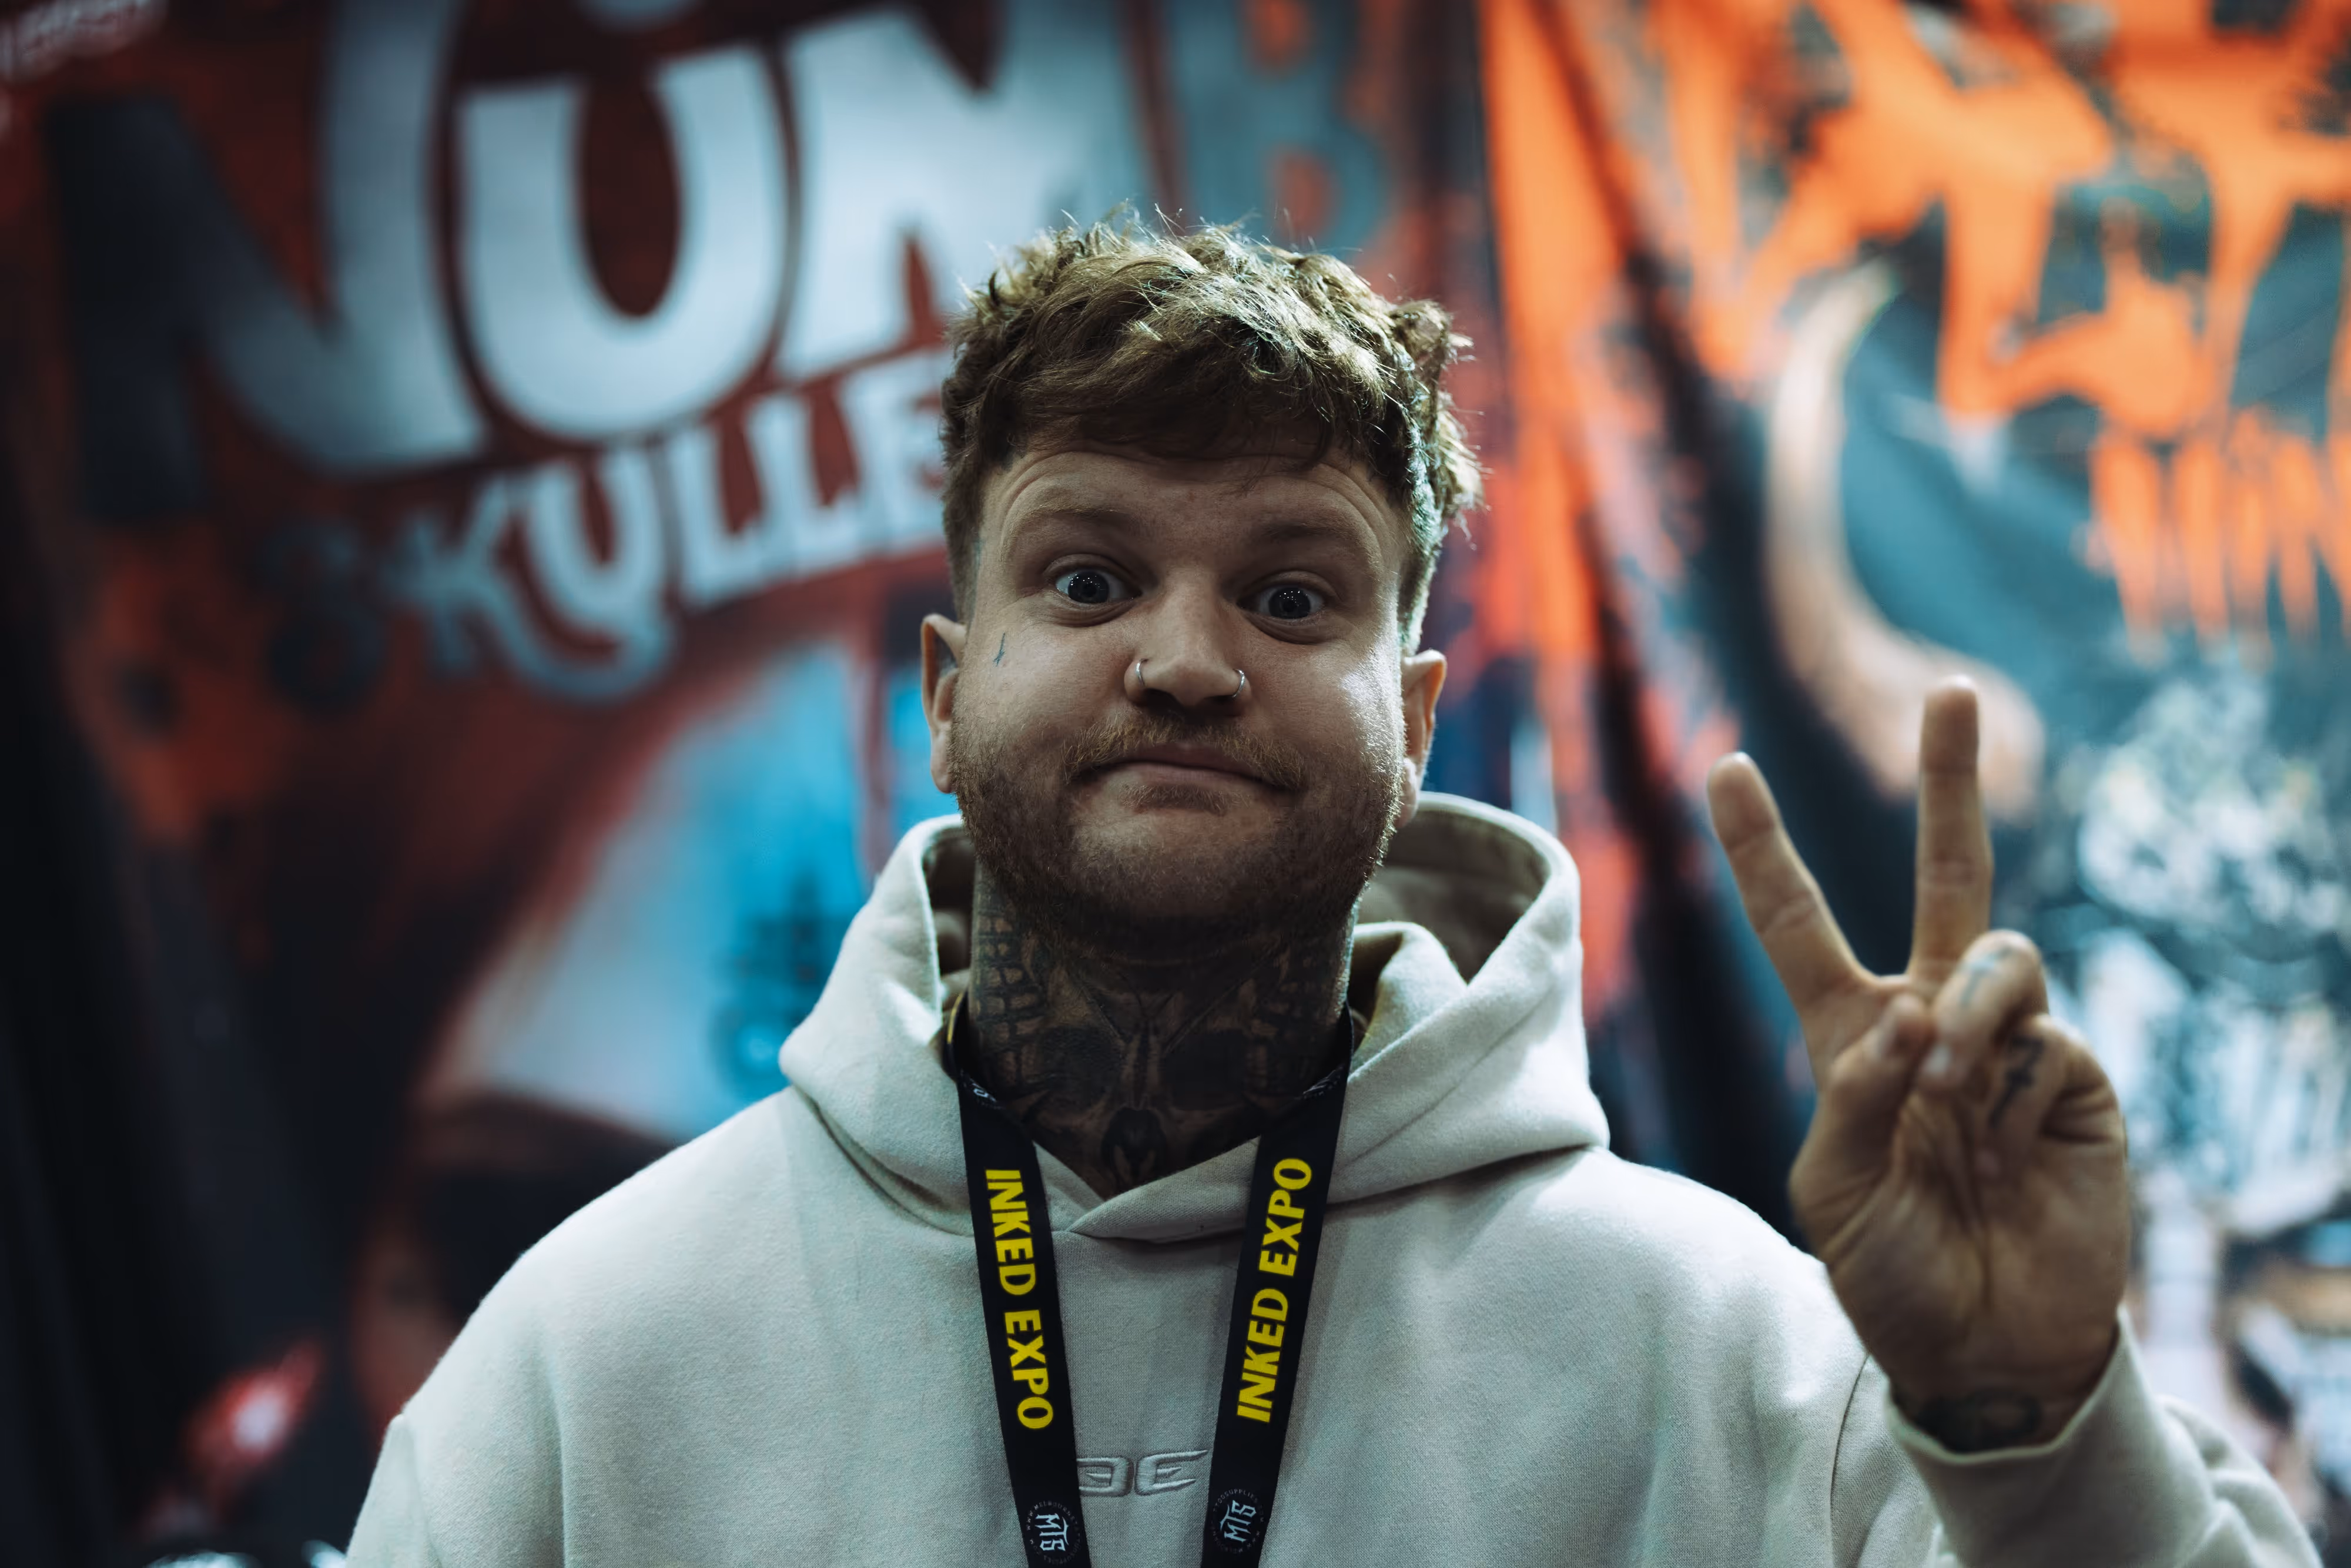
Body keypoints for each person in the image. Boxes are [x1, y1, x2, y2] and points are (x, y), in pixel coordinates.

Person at [345, 220, 2313, 1566]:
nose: (1187, 661)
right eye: (1090, 577)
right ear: (947, 696)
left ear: (1420, 716)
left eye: (1293, 594)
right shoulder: (596, 1357)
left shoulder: (1725, 1351)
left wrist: (2029, 1404)